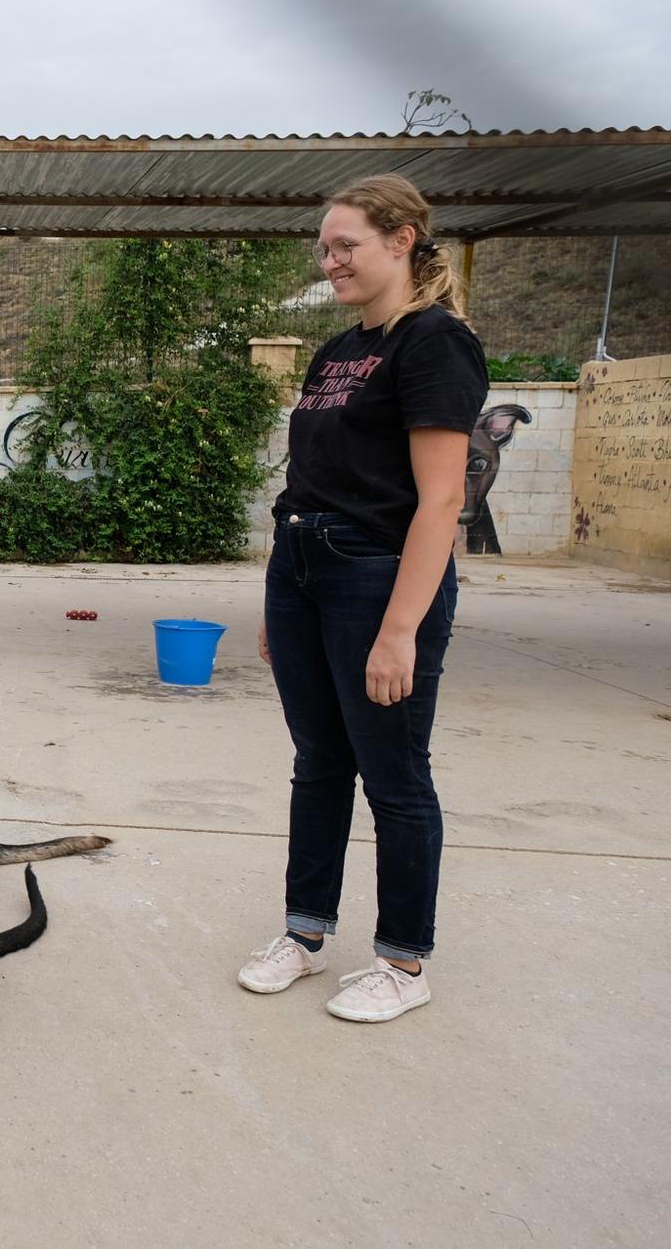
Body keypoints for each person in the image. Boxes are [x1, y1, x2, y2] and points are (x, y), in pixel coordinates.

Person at [238, 174, 486, 1023]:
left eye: (346, 244)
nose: (329, 258)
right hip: (304, 568)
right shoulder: (339, 351)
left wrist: (400, 630)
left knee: (395, 775)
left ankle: (403, 962)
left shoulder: (435, 345)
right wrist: (282, 592)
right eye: (325, 245)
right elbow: (307, 475)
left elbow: (442, 500)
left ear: (403, 239)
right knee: (319, 762)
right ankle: (304, 935)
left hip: (376, 576)